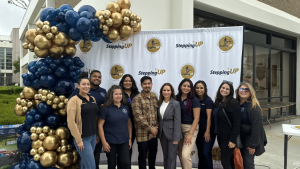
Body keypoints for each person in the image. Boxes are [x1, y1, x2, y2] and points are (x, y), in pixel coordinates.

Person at [69, 70, 107, 169]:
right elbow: (71, 122)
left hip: (93, 136)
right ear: (78, 86)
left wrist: (97, 134)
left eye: (88, 84)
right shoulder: (74, 100)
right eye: (83, 84)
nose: (86, 86)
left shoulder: (92, 99)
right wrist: (78, 140)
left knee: (84, 164)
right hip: (82, 138)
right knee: (91, 166)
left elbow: (95, 117)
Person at [98, 85, 132, 169]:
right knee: (112, 165)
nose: (119, 96)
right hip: (110, 141)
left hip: (124, 141)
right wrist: (104, 142)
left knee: (126, 164)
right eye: (116, 94)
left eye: (120, 94)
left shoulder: (126, 107)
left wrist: (130, 138)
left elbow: (129, 124)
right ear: (111, 95)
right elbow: (100, 126)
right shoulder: (105, 108)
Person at [235, 82, 267, 169]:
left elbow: (257, 128)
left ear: (250, 92)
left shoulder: (254, 107)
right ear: (238, 91)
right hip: (238, 137)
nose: (243, 91)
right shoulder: (235, 104)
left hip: (249, 138)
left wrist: (253, 145)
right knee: (238, 161)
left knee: (248, 162)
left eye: (246, 89)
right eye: (241, 89)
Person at [132, 76, 159, 169]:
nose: (147, 85)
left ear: (151, 85)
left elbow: (158, 115)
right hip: (142, 134)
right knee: (143, 158)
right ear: (141, 85)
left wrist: (156, 128)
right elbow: (139, 117)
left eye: (149, 83)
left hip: (154, 135)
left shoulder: (155, 98)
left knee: (153, 156)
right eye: (145, 84)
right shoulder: (137, 99)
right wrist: (151, 129)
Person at [213, 80, 241, 169]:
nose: (224, 90)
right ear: (220, 89)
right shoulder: (218, 102)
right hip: (221, 136)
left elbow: (237, 123)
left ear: (231, 91)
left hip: (228, 138)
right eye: (223, 88)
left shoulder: (233, 103)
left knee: (225, 161)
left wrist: (232, 140)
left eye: (227, 89)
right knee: (229, 160)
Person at [176, 78, 200, 169]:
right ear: (180, 87)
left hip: (190, 129)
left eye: (188, 86)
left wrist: (190, 134)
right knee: (180, 155)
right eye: (184, 85)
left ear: (191, 88)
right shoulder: (176, 98)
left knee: (185, 155)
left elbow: (197, 118)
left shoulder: (194, 99)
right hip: (178, 129)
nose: (186, 87)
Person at [157, 83, 181, 169]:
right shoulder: (159, 103)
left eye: (168, 90)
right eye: (164, 90)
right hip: (162, 133)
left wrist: (176, 137)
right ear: (161, 91)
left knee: (172, 157)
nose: (166, 92)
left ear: (171, 92)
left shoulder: (175, 103)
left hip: (172, 135)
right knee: (166, 156)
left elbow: (177, 121)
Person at [194, 80, 215, 169]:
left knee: (206, 153)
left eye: (201, 88)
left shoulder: (208, 101)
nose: (199, 90)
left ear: (205, 89)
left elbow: (209, 117)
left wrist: (207, 131)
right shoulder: (193, 100)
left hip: (207, 129)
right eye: (197, 88)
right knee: (200, 154)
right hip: (197, 130)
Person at [118, 74, 140, 156]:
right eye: (126, 81)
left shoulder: (137, 94)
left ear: (133, 83)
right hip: (122, 124)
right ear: (122, 82)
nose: (128, 82)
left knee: (129, 146)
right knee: (122, 148)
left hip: (135, 125)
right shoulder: (119, 93)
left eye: (130, 81)